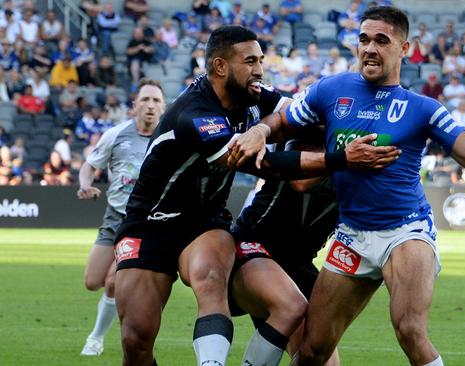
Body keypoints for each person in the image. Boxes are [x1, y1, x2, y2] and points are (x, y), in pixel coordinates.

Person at [228, 8, 465, 366]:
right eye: (364, 39)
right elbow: (283, 121)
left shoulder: (423, 109)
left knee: (409, 329)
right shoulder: (330, 91)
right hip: (351, 235)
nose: (370, 48)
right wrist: (260, 130)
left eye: (381, 40)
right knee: (312, 352)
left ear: (404, 48)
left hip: (405, 230)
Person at [112, 25, 399, 366]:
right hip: (151, 223)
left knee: (211, 280)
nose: (259, 70)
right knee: (136, 338)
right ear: (220, 67)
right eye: (250, 61)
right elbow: (267, 166)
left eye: (261, 60)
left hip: (206, 221)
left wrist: (346, 119)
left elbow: (300, 112)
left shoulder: (255, 95)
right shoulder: (194, 116)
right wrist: (341, 158)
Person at [229, 136, 341, 366]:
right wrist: (346, 158)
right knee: (291, 306)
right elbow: (300, 180)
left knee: (321, 361)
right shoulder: (305, 126)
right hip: (253, 247)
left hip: (298, 263)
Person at [77, 79, 165, 356]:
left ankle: (95, 339)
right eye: (145, 100)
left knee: (114, 281)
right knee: (93, 281)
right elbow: (89, 166)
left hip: (144, 222)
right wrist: (84, 184)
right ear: (134, 105)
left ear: (163, 107)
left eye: (156, 101)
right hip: (114, 216)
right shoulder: (116, 134)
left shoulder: (169, 139)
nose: (150, 105)